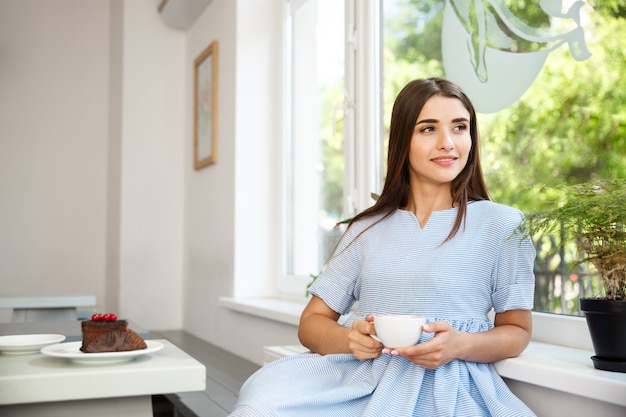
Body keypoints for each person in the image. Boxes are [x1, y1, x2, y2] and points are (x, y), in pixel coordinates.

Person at [229, 77, 536, 416]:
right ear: (403, 140)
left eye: (459, 127)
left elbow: (517, 331)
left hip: (450, 389)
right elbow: (311, 323)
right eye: (428, 129)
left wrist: (459, 345)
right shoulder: (366, 229)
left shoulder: (502, 225)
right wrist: (351, 339)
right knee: (260, 406)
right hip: (360, 381)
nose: (448, 143)